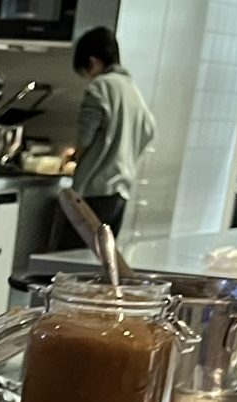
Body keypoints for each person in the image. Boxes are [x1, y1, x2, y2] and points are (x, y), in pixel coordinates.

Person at [53, 26, 155, 248]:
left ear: (92, 61)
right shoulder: (131, 89)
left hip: (92, 192)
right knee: (99, 261)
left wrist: (76, 155)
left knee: (68, 261)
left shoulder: (100, 86)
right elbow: (149, 129)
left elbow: (86, 136)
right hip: (120, 193)